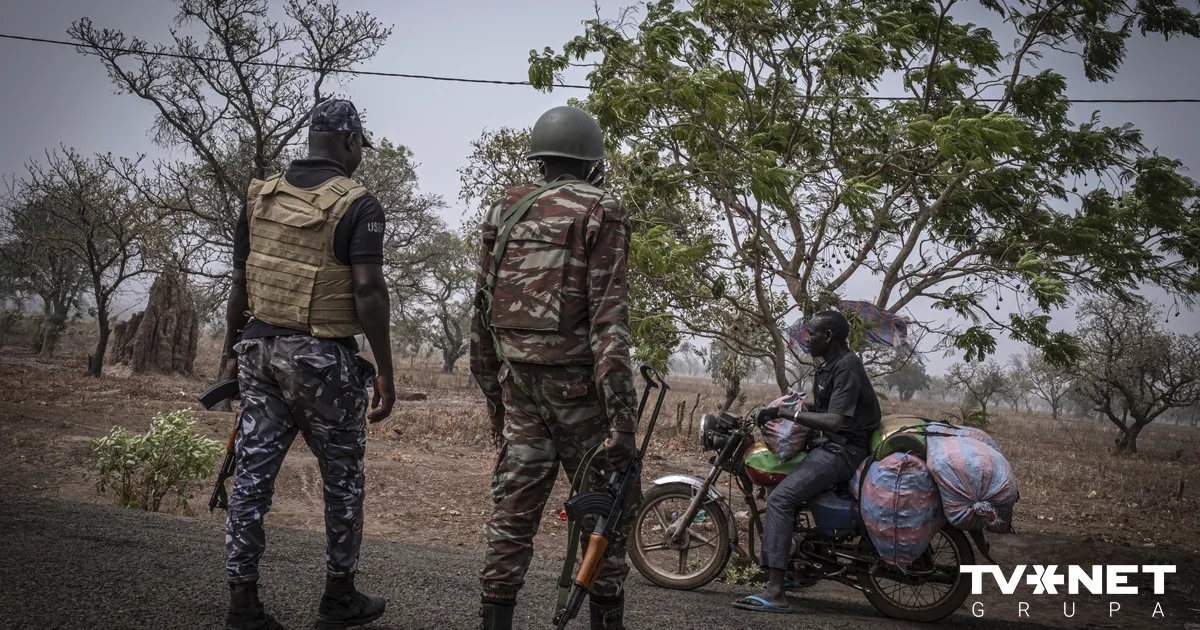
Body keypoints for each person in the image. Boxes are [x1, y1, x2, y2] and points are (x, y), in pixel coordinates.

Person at [221, 98, 396, 630]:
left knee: (252, 478)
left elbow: (240, 285)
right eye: (361, 145)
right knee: (342, 480)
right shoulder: (360, 206)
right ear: (350, 142)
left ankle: (242, 604)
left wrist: (228, 355)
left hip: (258, 352)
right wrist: (385, 369)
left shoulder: (260, 197)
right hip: (322, 360)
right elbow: (368, 292)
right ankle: (338, 598)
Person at [470, 105, 640, 630]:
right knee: (607, 512)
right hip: (581, 395)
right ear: (593, 162)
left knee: (513, 511)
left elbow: (480, 311)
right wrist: (623, 421)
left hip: (518, 386)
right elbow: (609, 323)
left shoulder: (505, 210)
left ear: (540, 159)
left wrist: (496, 397)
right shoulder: (602, 210)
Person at [732, 309, 880, 614]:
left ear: (829, 336)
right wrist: (785, 406)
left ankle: (776, 592)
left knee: (781, 499)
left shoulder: (847, 367)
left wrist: (786, 414)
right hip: (830, 444)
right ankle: (794, 567)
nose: (806, 339)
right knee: (782, 491)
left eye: (811, 333)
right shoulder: (830, 365)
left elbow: (835, 420)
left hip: (843, 450)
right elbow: (825, 407)